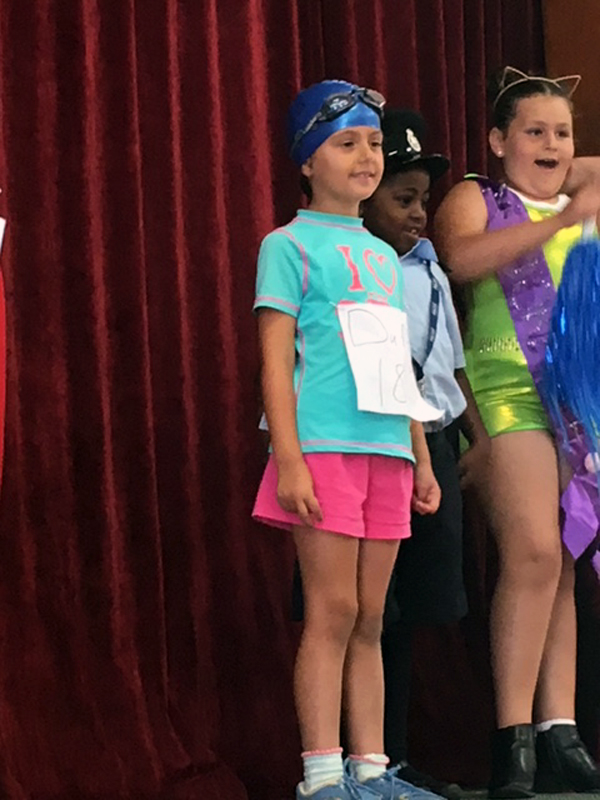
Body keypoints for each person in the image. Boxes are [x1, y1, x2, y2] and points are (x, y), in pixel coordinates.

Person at [252, 80, 443, 800]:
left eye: (373, 144)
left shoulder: (385, 257)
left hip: (386, 451)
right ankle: (322, 775)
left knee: (371, 616)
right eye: (346, 143)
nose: (366, 157)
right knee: (330, 611)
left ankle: (371, 768)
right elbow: (275, 362)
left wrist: (420, 454)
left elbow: (397, 365)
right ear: (307, 160)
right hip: (324, 447)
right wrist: (289, 458)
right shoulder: (287, 246)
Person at [434, 66, 600, 797]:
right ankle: (513, 738)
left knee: (562, 557)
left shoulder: (575, 197)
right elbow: (462, 260)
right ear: (498, 141)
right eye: (534, 131)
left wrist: (568, 179)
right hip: (505, 397)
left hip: (575, 404)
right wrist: (559, 220)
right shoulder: (480, 197)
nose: (552, 145)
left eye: (562, 132)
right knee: (532, 549)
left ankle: (560, 729)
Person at [362, 108, 490, 800]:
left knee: (412, 607)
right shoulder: (361, 267)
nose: (419, 214)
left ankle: (397, 755)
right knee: (371, 607)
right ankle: (363, 759)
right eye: (403, 199)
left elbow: (449, 362)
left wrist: (477, 435)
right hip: (381, 443)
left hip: (436, 440)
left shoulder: (431, 266)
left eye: (423, 200)